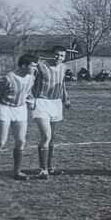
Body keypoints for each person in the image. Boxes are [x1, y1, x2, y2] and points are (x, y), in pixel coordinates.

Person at [0, 54, 37, 181]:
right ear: (24, 65)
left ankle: (17, 172)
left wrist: (31, 100)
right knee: (0, 142)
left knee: (21, 141)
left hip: (20, 109)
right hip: (5, 108)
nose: (35, 68)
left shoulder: (32, 78)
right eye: (33, 66)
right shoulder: (8, 78)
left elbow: (28, 92)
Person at [29, 45, 71, 177]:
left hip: (56, 103)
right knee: (46, 136)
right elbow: (29, 82)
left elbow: (63, 84)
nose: (59, 57)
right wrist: (30, 99)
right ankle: (43, 169)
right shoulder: (40, 66)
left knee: (52, 137)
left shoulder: (63, 67)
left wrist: (66, 99)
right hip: (41, 102)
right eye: (57, 55)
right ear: (52, 54)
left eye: (62, 56)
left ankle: (49, 167)